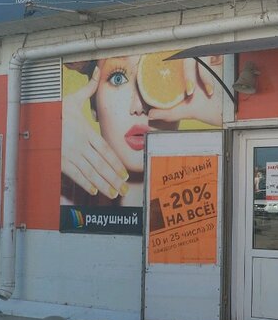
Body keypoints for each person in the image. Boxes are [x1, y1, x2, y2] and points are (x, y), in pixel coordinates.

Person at [61, 53, 222, 207]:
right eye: (118, 78)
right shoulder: (62, 201)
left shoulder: (212, 189)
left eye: (157, 76)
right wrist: (51, 137)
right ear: (93, 105)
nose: (139, 106)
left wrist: (229, 109)